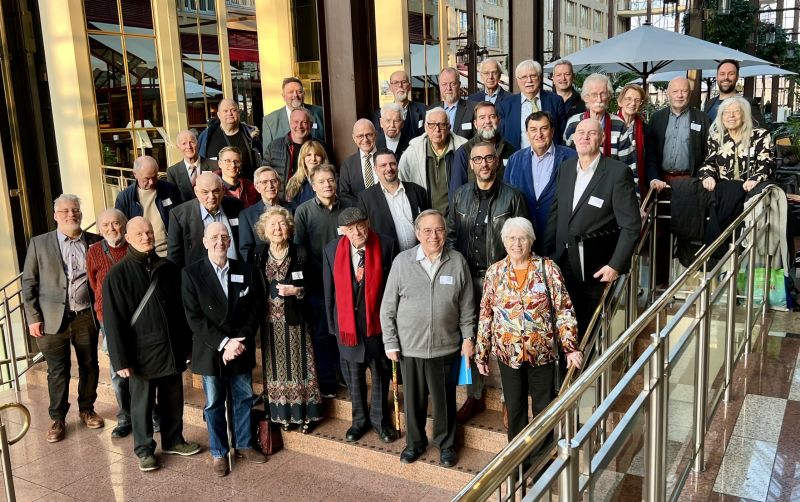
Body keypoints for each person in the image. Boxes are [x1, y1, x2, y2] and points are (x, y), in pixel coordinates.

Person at [103, 217, 201, 472]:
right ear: (127, 237)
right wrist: (120, 360)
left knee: (173, 398)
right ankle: (144, 450)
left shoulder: (168, 268)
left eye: (149, 232)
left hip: (170, 347)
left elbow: (180, 311)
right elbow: (114, 321)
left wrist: (187, 344)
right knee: (142, 405)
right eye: (139, 234)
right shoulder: (117, 274)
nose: (146, 237)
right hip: (140, 352)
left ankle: (173, 440)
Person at [475, 217, 583, 445]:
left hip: (541, 352)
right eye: (511, 238)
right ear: (504, 242)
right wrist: (481, 353)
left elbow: (564, 309)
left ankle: (541, 461)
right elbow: (485, 314)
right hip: (508, 354)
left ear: (530, 240)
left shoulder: (548, 268)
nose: (516, 243)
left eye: (522, 238)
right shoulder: (494, 272)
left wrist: (570, 348)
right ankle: (518, 465)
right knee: (514, 410)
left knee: (543, 409)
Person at [381, 209, 475, 467]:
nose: (434, 235)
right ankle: (415, 443)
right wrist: (390, 342)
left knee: (444, 401)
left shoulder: (457, 261)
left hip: (446, 346)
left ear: (446, 233)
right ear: (417, 234)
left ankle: (445, 445)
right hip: (410, 348)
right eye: (427, 230)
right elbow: (387, 307)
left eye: (439, 230)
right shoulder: (402, 261)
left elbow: (467, 306)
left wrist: (468, 337)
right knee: (413, 402)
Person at [446, 142, 528, 424]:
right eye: (477, 159)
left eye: (489, 158)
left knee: (507, 339)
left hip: (502, 279)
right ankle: (474, 396)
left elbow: (521, 238)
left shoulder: (512, 197)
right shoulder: (460, 196)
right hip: (468, 278)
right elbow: (452, 235)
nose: (483, 163)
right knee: (470, 337)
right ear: (471, 164)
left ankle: (509, 400)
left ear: (497, 162)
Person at [182, 222, 266, 476]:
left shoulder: (246, 269)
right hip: (211, 350)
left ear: (230, 241)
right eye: (214, 237)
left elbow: (256, 308)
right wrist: (224, 343)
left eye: (224, 237)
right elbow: (194, 317)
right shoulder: (191, 274)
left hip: (240, 346)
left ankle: (244, 443)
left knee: (243, 398)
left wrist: (239, 341)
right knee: (214, 403)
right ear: (205, 242)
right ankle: (219, 452)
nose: (220, 241)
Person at [544, 118, 640, 338]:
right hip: (562, 262)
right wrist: (548, 255)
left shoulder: (618, 173)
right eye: (580, 132)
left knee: (588, 331)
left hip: (595, 267)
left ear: (603, 138)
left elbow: (631, 226)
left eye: (592, 133)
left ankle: (588, 372)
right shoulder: (566, 168)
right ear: (573, 138)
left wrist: (615, 265)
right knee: (562, 327)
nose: (585, 137)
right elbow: (556, 214)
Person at [21, 194, 103, 443]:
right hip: (49, 319)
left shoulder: (95, 242)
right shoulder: (39, 243)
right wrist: (33, 317)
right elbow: (29, 283)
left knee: (90, 365)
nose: (71, 214)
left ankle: (87, 409)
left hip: (84, 316)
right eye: (65, 211)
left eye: (75, 210)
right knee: (58, 371)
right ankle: (57, 418)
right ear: (56, 215)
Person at [323, 208, 398, 444]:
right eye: (351, 228)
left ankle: (380, 421)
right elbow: (329, 291)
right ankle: (358, 422)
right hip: (348, 329)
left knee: (380, 376)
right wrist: (333, 327)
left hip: (377, 327)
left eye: (361, 225)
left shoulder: (387, 245)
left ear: (368, 223)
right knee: (354, 380)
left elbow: (394, 289)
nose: (358, 232)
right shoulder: (332, 249)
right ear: (343, 231)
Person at [87, 209, 160, 438]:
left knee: (145, 370)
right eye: (106, 225)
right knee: (119, 371)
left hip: (139, 319)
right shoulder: (94, 251)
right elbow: (93, 281)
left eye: (116, 224)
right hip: (108, 320)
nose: (111, 229)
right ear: (99, 229)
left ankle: (152, 412)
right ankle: (125, 416)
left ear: (125, 228)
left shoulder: (137, 247)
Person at [252, 206, 324, 429]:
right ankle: (282, 415)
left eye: (282, 224)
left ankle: (306, 414)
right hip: (269, 322)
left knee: (301, 365)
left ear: (289, 228)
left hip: (295, 319)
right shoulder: (257, 253)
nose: (277, 229)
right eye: (272, 224)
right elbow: (253, 284)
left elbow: (314, 284)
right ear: (264, 229)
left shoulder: (300, 252)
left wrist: (297, 291)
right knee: (275, 367)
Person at [294, 164, 347, 397]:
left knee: (345, 329)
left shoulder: (349, 206)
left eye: (331, 180)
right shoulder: (304, 211)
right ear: (313, 186)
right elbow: (300, 248)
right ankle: (326, 379)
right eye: (322, 181)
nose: (327, 185)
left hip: (346, 280)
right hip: (318, 282)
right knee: (323, 332)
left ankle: (345, 374)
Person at [504, 111, 577, 252]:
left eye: (544, 128)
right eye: (533, 130)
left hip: (560, 238)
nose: (539, 134)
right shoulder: (514, 159)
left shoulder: (572, 158)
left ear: (552, 130)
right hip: (524, 240)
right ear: (527, 133)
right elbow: (507, 198)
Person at [563, 73, 638, 193]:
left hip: (611, 190)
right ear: (586, 97)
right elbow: (566, 162)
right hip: (578, 189)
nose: (599, 99)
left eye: (603, 93)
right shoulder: (573, 124)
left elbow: (629, 166)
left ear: (609, 96)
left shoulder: (619, 125)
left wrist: (635, 199)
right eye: (594, 94)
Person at [398, 107, 468, 214]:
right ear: (426, 127)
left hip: (456, 217)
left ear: (449, 127)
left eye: (442, 125)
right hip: (424, 217)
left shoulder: (463, 148)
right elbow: (401, 182)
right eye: (432, 124)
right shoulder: (413, 150)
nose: (437, 129)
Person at [646, 76, 711, 189]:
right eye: (675, 91)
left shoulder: (703, 119)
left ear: (689, 94)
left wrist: (704, 177)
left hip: (691, 183)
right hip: (661, 183)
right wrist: (654, 177)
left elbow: (708, 153)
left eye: (684, 91)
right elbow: (650, 154)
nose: (679, 95)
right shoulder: (656, 118)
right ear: (668, 94)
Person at [357, 149, 429, 251]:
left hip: (419, 255)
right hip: (387, 259)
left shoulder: (418, 191)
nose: (389, 168)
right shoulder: (366, 198)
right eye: (383, 165)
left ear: (397, 165)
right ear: (375, 169)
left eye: (392, 164)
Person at [698, 97, 774, 193]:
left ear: (744, 115)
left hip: (753, 191)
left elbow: (767, 163)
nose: (731, 116)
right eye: (726, 112)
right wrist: (707, 176)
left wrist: (755, 179)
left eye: (736, 111)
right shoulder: (716, 138)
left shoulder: (760, 135)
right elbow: (709, 163)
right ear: (721, 117)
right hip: (725, 192)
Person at [167, 172, 243, 268]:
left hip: (236, 273)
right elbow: (174, 257)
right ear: (196, 191)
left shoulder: (237, 206)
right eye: (205, 192)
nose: (211, 197)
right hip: (200, 278)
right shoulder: (179, 215)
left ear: (223, 190)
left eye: (216, 191)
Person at [114, 155, 181, 257]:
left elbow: (180, 218)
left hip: (170, 251)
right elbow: (121, 229)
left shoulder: (170, 189)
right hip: (143, 255)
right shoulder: (124, 198)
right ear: (135, 174)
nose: (151, 182)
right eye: (147, 178)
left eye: (155, 177)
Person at [498, 60, 563, 150]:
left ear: (539, 77)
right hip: (519, 159)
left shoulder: (555, 101)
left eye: (533, 76)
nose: (529, 80)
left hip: (551, 158)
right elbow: (502, 136)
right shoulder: (506, 105)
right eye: (524, 77)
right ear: (517, 80)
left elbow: (562, 133)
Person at [451, 101, 517, 187]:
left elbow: (516, 188)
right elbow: (456, 193)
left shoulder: (512, 151)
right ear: (475, 124)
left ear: (498, 120)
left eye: (492, 117)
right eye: (482, 118)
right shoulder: (464, 152)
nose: (487, 121)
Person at [264, 108, 332, 190]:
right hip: (283, 199)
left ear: (310, 125)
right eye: (296, 122)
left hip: (313, 198)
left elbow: (331, 174)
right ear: (290, 123)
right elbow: (264, 175)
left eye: (304, 122)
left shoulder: (321, 147)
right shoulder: (274, 146)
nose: (299, 126)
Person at [198, 98, 262, 179]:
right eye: (225, 111)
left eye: (233, 110)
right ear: (218, 115)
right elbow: (201, 163)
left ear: (238, 113)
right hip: (217, 188)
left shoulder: (251, 134)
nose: (230, 113)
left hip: (248, 186)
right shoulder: (206, 136)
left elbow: (261, 161)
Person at [261, 77, 325, 148]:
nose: (295, 95)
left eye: (299, 92)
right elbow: (267, 156)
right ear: (283, 96)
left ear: (304, 94)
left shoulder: (320, 113)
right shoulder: (269, 121)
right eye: (291, 92)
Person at [239, 166, 285, 261]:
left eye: (273, 181)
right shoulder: (247, 215)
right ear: (257, 187)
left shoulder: (295, 209)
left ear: (279, 184)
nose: (270, 186)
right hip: (261, 269)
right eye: (264, 182)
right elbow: (246, 250)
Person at [704, 59, 765, 126]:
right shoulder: (709, 104)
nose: (726, 77)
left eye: (731, 74)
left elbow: (762, 132)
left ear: (737, 77)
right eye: (722, 74)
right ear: (717, 77)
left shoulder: (747, 103)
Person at [373, 70, 427, 139]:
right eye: (396, 83)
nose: (400, 86)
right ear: (390, 88)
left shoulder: (424, 110)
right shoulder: (379, 114)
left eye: (404, 82)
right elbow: (379, 141)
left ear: (409, 87)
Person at [616, 84, 648, 196]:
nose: (633, 103)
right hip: (614, 183)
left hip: (637, 184)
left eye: (637, 100)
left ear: (641, 104)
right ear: (620, 102)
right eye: (628, 99)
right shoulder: (611, 127)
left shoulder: (646, 130)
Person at [166, 129, 216, 202]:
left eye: (191, 142)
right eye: (184, 143)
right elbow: (174, 199)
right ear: (178, 147)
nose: (188, 146)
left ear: (198, 144)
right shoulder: (173, 172)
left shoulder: (214, 165)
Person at [339, 119, 380, 206]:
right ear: (354, 138)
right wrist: (363, 207)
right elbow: (344, 194)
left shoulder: (387, 157)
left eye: (369, 135)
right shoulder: (348, 164)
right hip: (360, 214)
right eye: (360, 136)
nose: (365, 139)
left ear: (375, 135)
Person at [430, 67, 476, 140]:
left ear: (459, 84)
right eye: (444, 84)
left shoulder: (473, 109)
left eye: (453, 84)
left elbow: (477, 140)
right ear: (439, 86)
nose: (448, 88)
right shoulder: (431, 111)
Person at [285, 140, 328, 211]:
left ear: (322, 158)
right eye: (308, 155)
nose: (313, 159)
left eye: (317, 155)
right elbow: (292, 211)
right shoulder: (294, 182)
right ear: (303, 159)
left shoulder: (332, 179)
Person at [550, 59, 585, 140]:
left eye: (567, 74)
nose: (563, 78)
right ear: (553, 78)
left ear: (573, 77)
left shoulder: (583, 101)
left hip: (576, 148)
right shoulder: (545, 101)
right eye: (559, 75)